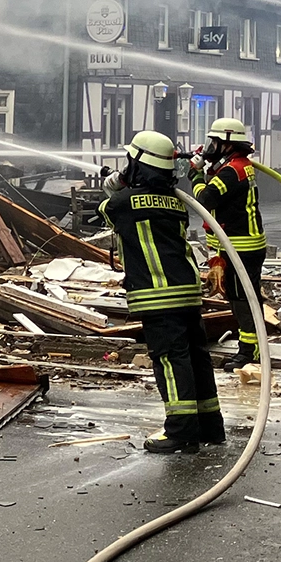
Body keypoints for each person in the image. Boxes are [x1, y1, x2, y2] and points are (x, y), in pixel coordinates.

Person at [104, 130, 224, 454]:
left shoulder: (124, 202)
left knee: (171, 361)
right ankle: (210, 426)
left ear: (138, 163)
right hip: (186, 291)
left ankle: (181, 432)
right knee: (197, 357)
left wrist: (115, 185)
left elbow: (108, 209)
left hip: (159, 295)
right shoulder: (176, 201)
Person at [192, 117, 267, 370]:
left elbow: (206, 199)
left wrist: (195, 176)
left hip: (241, 247)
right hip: (239, 245)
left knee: (242, 300)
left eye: (214, 142)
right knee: (242, 297)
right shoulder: (236, 166)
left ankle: (249, 350)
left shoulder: (231, 171)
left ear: (227, 144)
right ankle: (251, 346)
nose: (209, 147)